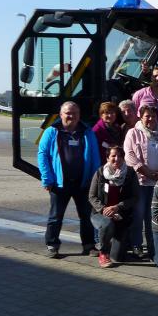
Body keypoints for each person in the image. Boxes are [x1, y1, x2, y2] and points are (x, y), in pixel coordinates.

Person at [37, 101, 101, 258]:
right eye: (68, 113)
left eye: (75, 113)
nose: (71, 116)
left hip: (83, 182)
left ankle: (88, 245)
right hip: (59, 183)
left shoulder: (87, 132)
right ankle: (52, 245)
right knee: (55, 216)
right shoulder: (51, 131)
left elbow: (95, 157)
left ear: (79, 115)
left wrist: (95, 180)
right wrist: (47, 179)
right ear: (61, 115)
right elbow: (42, 155)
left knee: (86, 216)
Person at [124, 104, 158, 259]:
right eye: (147, 116)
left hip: (157, 183)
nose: (150, 119)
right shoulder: (133, 133)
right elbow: (129, 155)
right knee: (138, 215)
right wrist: (147, 172)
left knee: (152, 216)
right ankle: (137, 245)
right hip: (139, 182)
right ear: (141, 116)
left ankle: (153, 247)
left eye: (153, 116)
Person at [88, 145, 139, 267]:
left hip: (121, 214)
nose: (117, 159)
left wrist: (118, 207)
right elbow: (92, 196)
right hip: (100, 214)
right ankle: (103, 252)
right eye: (113, 156)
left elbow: (135, 197)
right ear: (107, 158)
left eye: (120, 156)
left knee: (117, 257)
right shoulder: (100, 173)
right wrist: (104, 209)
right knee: (107, 223)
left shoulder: (130, 173)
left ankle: (112, 244)